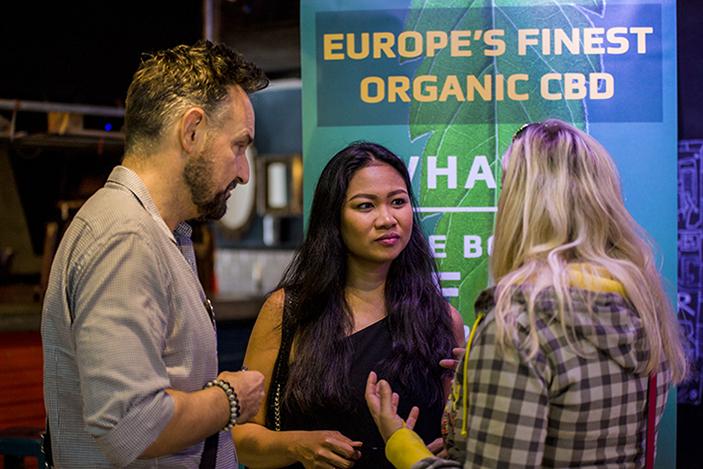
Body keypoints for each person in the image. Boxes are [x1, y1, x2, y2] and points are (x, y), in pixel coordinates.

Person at [364, 119, 688, 468]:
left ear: (522, 205)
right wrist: (489, 377)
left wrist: (403, 446)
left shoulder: (519, 325)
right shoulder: (644, 307)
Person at [41, 40, 269, 468]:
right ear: (192, 131)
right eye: (239, 147)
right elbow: (131, 425)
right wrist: (231, 398)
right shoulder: (125, 237)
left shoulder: (151, 231)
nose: (243, 172)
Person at [232, 142, 465, 468]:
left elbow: (455, 427)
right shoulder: (288, 310)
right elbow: (240, 437)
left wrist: (457, 445)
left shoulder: (441, 319)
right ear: (334, 218)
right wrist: (295, 445)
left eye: (398, 202)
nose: (387, 219)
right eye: (366, 206)